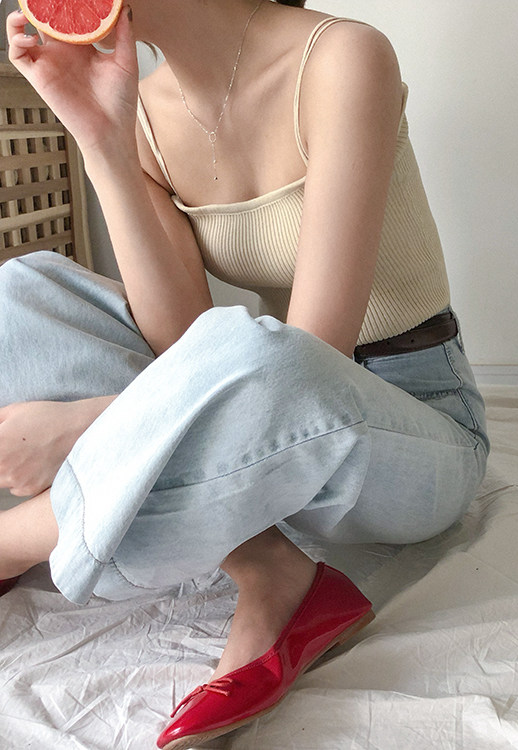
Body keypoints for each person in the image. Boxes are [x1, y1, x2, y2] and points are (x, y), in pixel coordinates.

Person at [1, 1, 489, 747]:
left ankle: (14, 541)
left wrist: (88, 423)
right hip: (261, 424)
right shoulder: (143, 106)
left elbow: (309, 358)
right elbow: (183, 345)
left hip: (406, 422)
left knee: (267, 355)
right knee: (22, 293)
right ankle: (272, 570)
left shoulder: (343, 57)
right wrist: (103, 140)